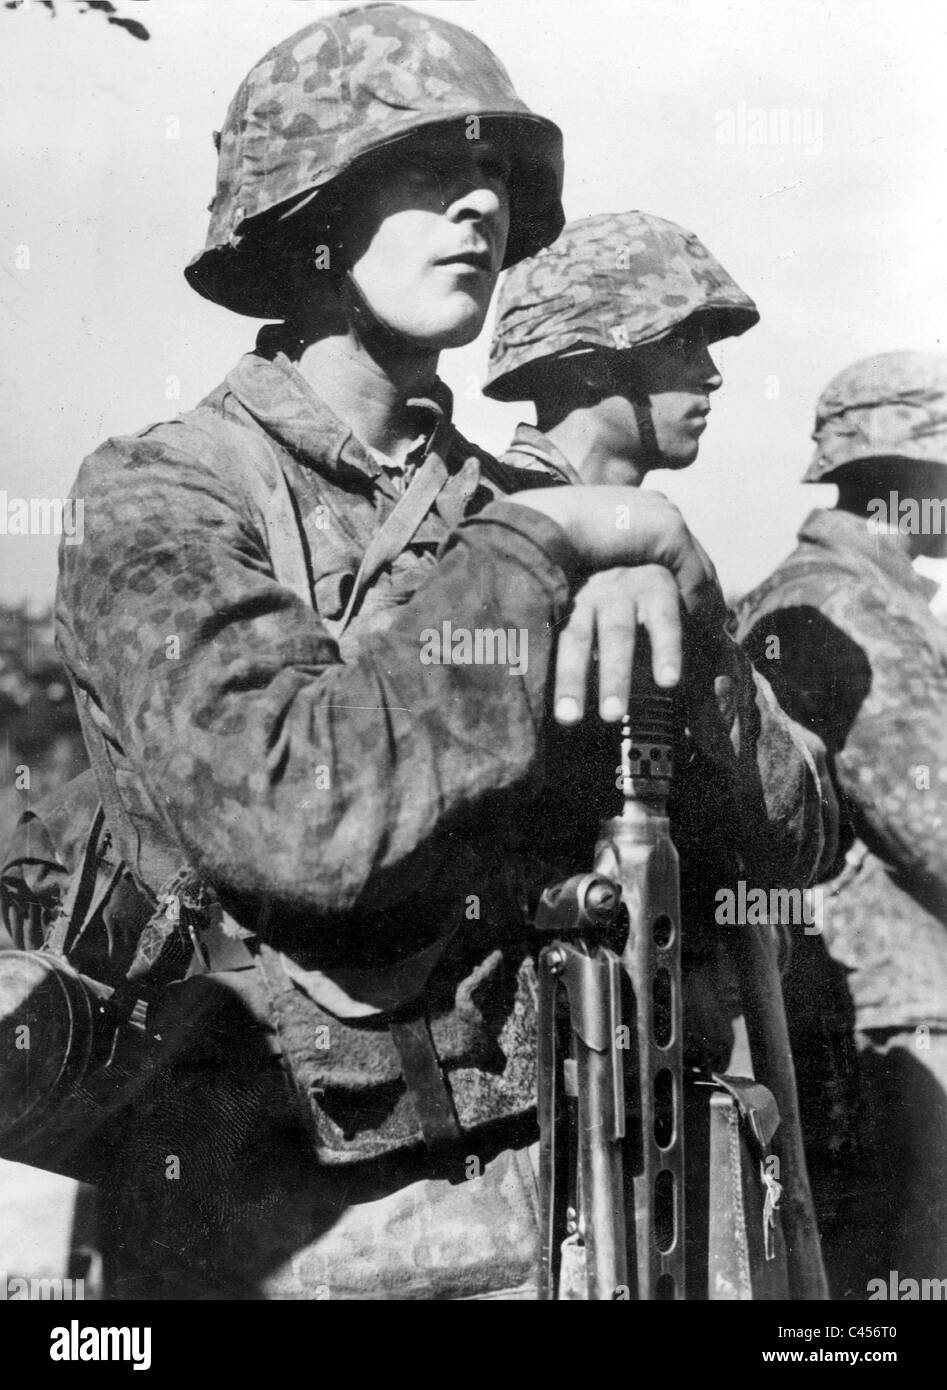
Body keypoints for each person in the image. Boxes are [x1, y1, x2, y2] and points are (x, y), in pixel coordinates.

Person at [48, 5, 829, 1299]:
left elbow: (788, 840)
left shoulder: (525, 510)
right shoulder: (166, 495)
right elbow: (300, 815)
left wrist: (680, 597)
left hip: (594, 1198)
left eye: (495, 183)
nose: (477, 207)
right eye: (425, 173)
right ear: (301, 209)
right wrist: (541, 545)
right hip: (305, 1228)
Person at [731, 351, 947, 1298]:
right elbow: (933, 824)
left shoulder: (845, 593)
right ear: (907, 480)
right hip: (890, 1020)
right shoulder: (847, 604)